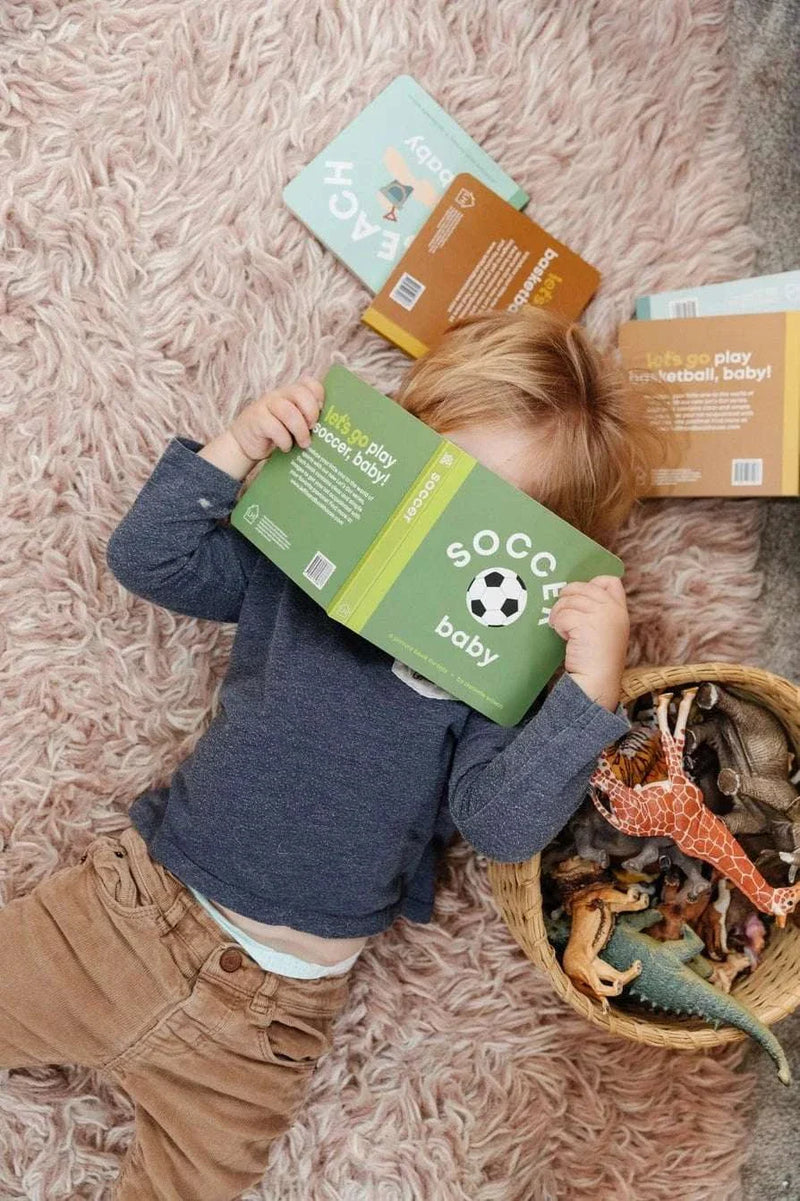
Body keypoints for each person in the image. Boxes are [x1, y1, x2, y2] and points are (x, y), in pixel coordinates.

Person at [0, 306, 671, 1199]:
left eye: (502, 514)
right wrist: (237, 449)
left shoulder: (493, 679)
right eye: (451, 484)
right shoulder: (304, 566)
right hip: (130, 915)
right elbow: (149, 560)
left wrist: (588, 694)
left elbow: (502, 826)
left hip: (267, 1023)